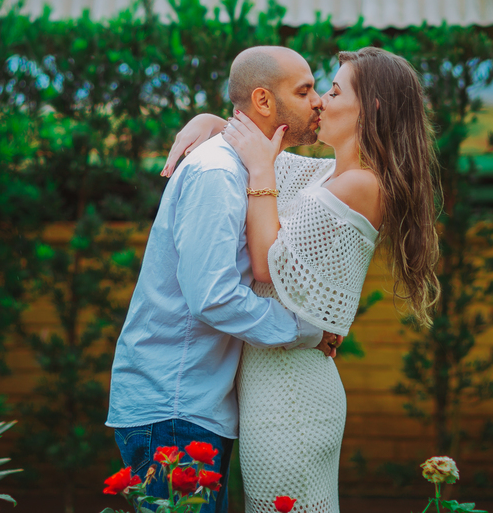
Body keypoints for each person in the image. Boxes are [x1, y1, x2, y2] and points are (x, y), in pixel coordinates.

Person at [162, 46, 442, 513]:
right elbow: (256, 140)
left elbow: (266, 263)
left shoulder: (361, 186)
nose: (320, 102)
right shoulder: (331, 173)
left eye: (333, 91)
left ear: (369, 108)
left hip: (291, 400)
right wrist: (211, 121)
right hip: (273, 390)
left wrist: (260, 168)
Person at [106, 46, 342, 513]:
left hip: (193, 406)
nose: (317, 100)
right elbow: (211, 297)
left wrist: (211, 119)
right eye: (305, 89)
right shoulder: (216, 173)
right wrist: (306, 329)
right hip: (173, 408)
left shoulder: (249, 166)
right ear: (262, 100)